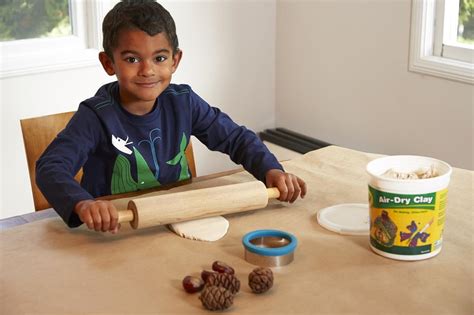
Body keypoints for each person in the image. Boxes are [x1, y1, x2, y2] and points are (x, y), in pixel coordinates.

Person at [36, 0, 306, 234]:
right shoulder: (95, 116)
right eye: (132, 59)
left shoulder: (184, 103)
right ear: (109, 63)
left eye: (160, 58)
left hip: (179, 220)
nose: (147, 70)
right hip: (117, 230)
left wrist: (270, 169)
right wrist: (83, 204)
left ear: (175, 61)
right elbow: (50, 168)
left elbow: (235, 138)